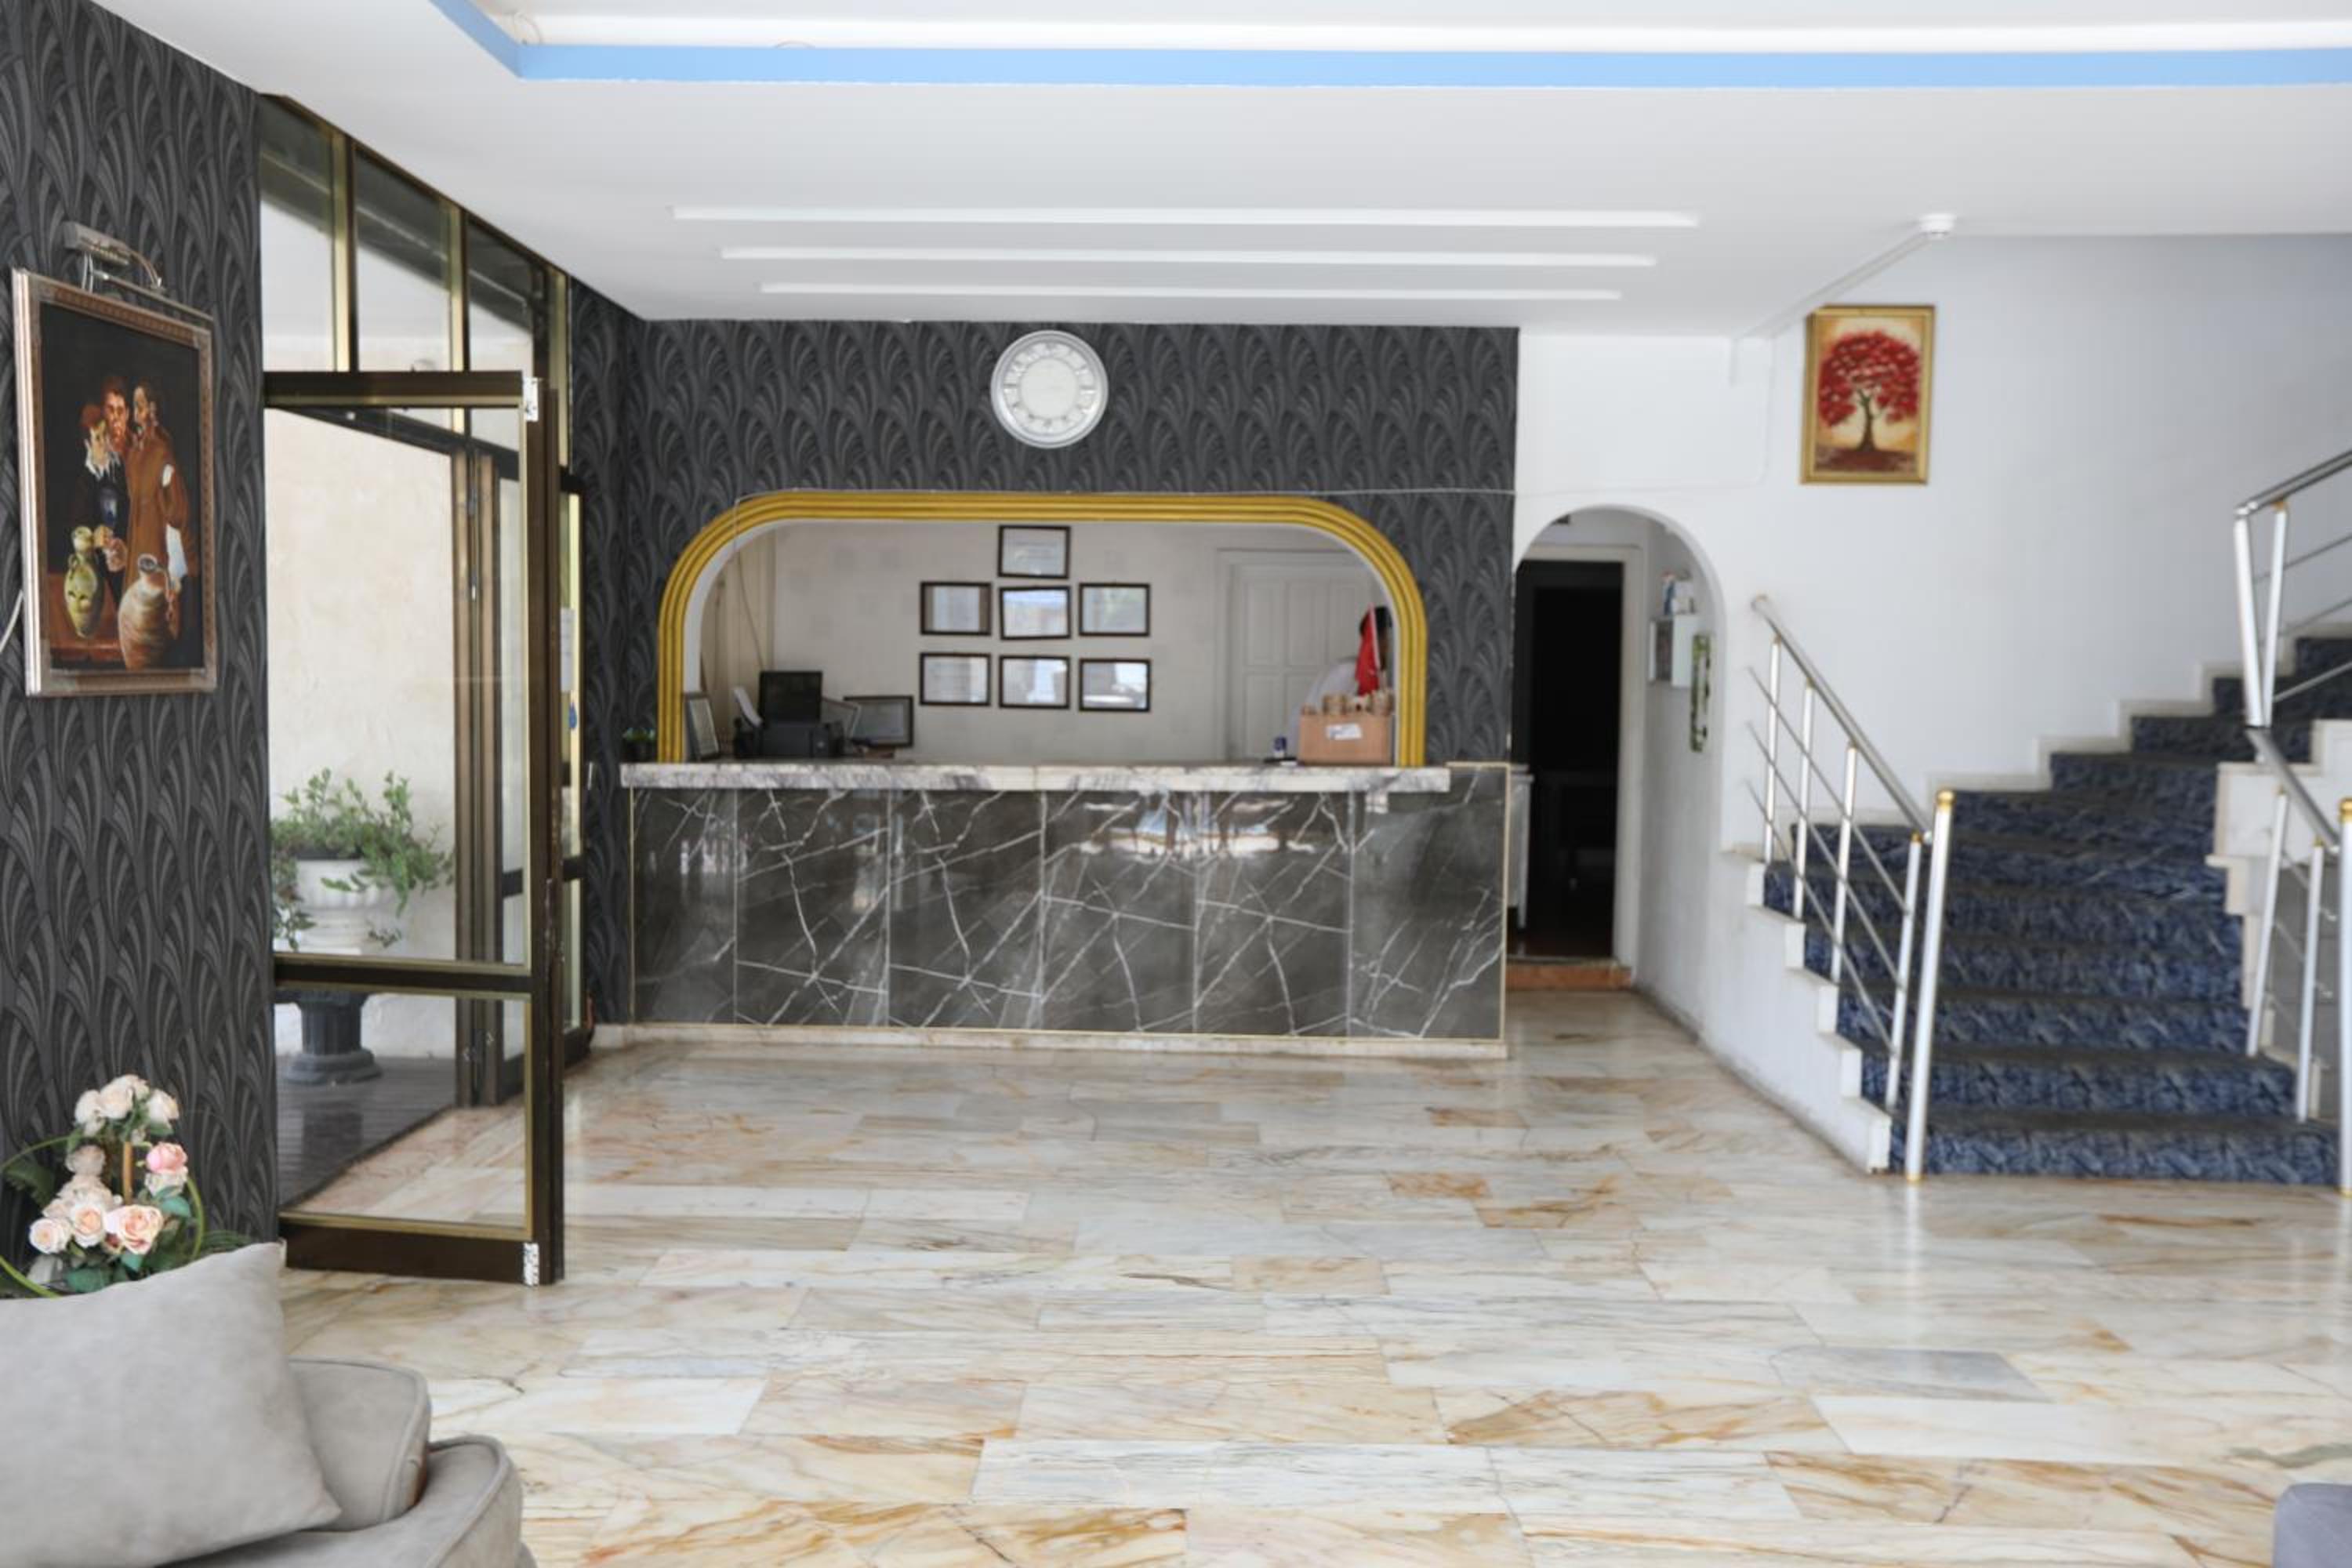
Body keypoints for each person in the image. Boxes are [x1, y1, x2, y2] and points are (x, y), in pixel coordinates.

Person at [126, 379, 191, 652]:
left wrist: (174, 576)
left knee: (152, 629)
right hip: (138, 545)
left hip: (156, 549)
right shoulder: (135, 452)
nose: (135, 413)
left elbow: (176, 515)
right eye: (135, 405)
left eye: (140, 406)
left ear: (152, 410)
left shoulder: (162, 456)